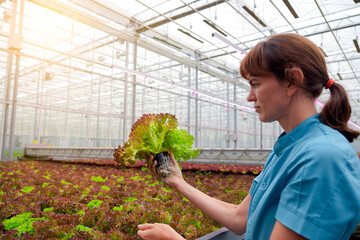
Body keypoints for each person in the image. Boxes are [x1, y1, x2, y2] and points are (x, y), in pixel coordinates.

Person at [137, 33, 360, 240]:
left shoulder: (322, 157)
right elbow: (240, 219)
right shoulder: (289, 148)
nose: (249, 97)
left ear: (292, 80)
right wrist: (178, 181)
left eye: (255, 84)